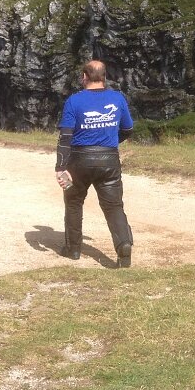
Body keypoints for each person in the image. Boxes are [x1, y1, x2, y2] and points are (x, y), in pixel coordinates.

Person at [55, 59, 135, 267]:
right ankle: (124, 245)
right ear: (104, 77)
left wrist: (61, 167)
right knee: (114, 206)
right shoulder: (117, 98)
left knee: (74, 202)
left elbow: (65, 137)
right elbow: (128, 129)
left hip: (78, 160)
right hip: (109, 159)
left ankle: (73, 249)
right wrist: (111, 141)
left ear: (84, 77)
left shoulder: (74, 101)